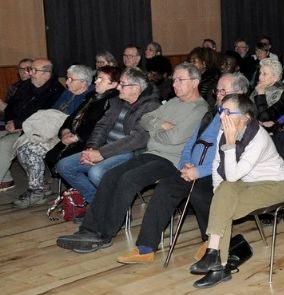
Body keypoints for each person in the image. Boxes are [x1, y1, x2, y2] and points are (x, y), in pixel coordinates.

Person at [55, 63, 208, 253]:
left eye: (180, 80)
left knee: (128, 179)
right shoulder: (174, 102)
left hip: (171, 161)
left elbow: (174, 138)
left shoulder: (199, 109)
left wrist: (156, 129)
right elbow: (145, 120)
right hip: (152, 153)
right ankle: (89, 229)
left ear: (195, 82)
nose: (175, 84)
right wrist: (161, 126)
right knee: (111, 176)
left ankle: (104, 235)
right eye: (174, 79)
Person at [116, 73, 249, 264]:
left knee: (199, 192)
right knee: (165, 188)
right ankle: (145, 248)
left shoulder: (242, 120)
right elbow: (190, 143)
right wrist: (185, 164)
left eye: (224, 91)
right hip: (192, 169)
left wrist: (199, 171)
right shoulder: (211, 114)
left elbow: (231, 157)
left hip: (220, 174)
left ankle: (211, 241)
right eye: (217, 91)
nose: (219, 95)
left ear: (239, 94)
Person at [189, 94, 284, 288]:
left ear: (245, 118)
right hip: (246, 181)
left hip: (274, 185)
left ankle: (218, 266)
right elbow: (218, 165)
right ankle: (214, 258)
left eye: (228, 112)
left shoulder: (258, 138)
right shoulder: (224, 130)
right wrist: (219, 193)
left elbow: (233, 175)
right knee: (223, 202)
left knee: (224, 209)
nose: (222, 116)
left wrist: (230, 143)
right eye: (221, 110)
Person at [55, 68, 160, 204]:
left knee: (96, 173)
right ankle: (97, 201)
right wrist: (92, 148)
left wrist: (101, 153)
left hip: (131, 153)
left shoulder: (151, 107)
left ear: (136, 88)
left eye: (122, 84)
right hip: (106, 149)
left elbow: (137, 139)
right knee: (64, 166)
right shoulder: (117, 101)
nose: (118, 87)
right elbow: (101, 127)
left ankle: (117, 208)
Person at [12, 64, 96, 207]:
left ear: (83, 82)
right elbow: (53, 113)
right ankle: (40, 186)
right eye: (67, 78)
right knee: (23, 147)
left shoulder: (90, 97)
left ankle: (37, 191)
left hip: (73, 138)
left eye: (71, 79)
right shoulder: (68, 93)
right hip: (56, 131)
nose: (67, 82)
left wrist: (65, 131)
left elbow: (82, 125)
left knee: (30, 150)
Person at [0, 58, 64, 192]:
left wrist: (18, 124)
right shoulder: (26, 85)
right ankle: (6, 180)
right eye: (30, 70)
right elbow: (11, 105)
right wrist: (10, 121)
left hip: (35, 130)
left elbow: (42, 117)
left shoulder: (56, 91)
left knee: (3, 145)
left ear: (46, 73)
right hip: (15, 125)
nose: (30, 73)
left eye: (34, 70)